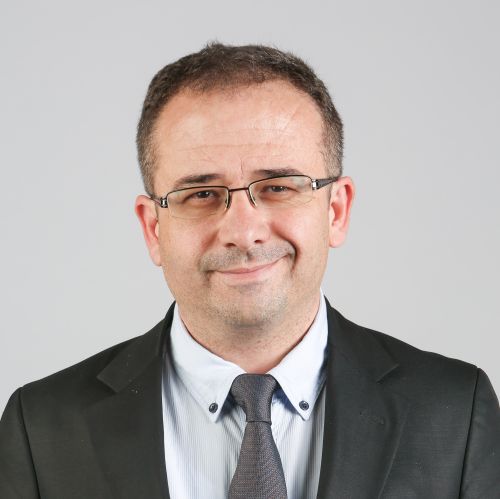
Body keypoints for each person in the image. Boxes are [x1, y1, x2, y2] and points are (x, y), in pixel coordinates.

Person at [1, 43, 499, 499]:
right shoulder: (40, 428)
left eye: (278, 187)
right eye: (201, 194)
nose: (243, 231)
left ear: (336, 210)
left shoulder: (457, 413)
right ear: (153, 228)